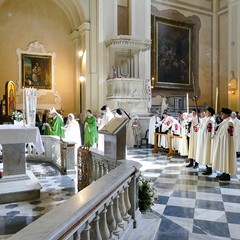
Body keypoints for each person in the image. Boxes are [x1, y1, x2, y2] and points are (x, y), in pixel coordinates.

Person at [212, 108, 236, 181]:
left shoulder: (230, 122)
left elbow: (229, 135)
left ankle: (227, 174)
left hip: (227, 144)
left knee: (226, 157)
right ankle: (224, 172)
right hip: (223, 143)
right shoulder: (224, 121)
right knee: (223, 158)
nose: (221, 115)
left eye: (222, 113)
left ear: (227, 114)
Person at [195, 107, 215, 175]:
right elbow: (201, 126)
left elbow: (209, 132)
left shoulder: (211, 120)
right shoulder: (206, 119)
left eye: (206, 112)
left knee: (207, 153)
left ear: (210, 113)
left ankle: (209, 169)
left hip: (207, 140)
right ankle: (207, 167)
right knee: (204, 153)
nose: (205, 113)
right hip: (203, 139)